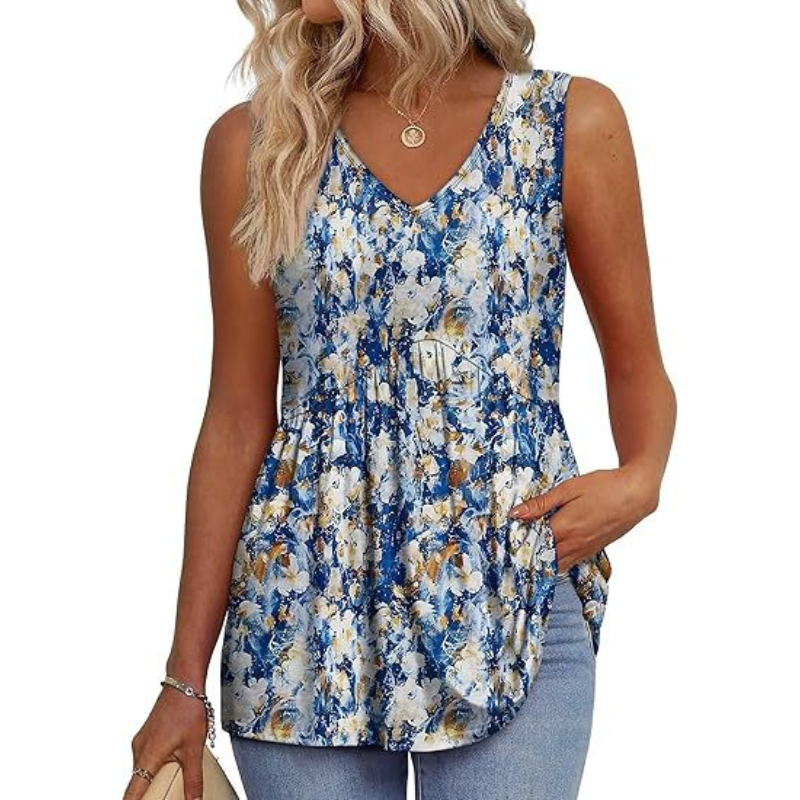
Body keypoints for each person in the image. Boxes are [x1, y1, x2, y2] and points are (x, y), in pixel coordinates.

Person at [125, 1, 676, 798]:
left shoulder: (565, 123)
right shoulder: (257, 144)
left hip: (508, 595)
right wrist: (183, 680)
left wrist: (641, 477)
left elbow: (637, 366)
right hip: (300, 617)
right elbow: (238, 415)